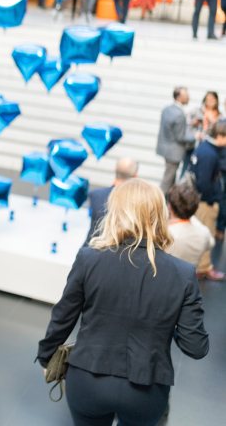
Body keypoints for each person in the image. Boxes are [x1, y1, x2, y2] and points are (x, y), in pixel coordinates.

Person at [37, 179, 209, 426]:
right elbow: (196, 347)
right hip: (146, 390)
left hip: (87, 380)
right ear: (162, 215)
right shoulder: (182, 273)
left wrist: (46, 357)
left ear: (115, 212)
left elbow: (63, 317)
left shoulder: (89, 259)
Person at [188, 119, 226, 280]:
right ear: (221, 135)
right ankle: (203, 268)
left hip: (201, 200)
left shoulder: (204, 147)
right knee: (206, 236)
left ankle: (202, 267)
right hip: (205, 202)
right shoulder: (209, 154)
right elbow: (203, 183)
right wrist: (212, 200)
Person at [83, 157, 138, 246]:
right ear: (135, 176)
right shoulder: (137, 202)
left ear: (115, 170)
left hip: (92, 246)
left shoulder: (96, 195)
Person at [156, 86, 198, 193]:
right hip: (174, 152)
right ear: (179, 97)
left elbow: (171, 128)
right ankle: (156, 204)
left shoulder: (167, 109)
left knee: (170, 179)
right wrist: (196, 136)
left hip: (166, 149)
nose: (189, 98)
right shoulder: (179, 113)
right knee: (167, 180)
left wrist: (189, 124)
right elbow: (180, 136)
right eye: (186, 95)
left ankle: (170, 203)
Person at [166, 182, 215, 270]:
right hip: (189, 280)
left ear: (169, 207)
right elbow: (211, 243)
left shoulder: (166, 234)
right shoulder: (204, 233)